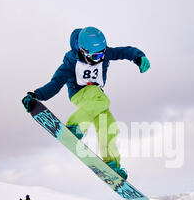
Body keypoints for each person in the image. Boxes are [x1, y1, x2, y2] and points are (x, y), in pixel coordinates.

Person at [21, 27, 150, 180]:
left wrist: (138, 57)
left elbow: (125, 51)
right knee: (101, 98)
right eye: (96, 56)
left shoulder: (105, 54)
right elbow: (55, 83)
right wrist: (36, 95)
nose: (100, 58)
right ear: (83, 51)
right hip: (80, 93)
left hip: (96, 99)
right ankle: (75, 127)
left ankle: (112, 163)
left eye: (102, 54)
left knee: (109, 124)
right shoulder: (71, 61)